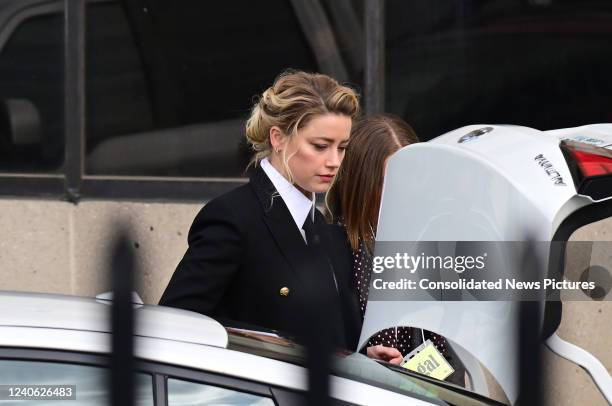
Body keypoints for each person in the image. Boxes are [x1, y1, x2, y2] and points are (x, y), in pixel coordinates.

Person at [159, 70, 363, 350]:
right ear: (278, 139)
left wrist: (364, 358)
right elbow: (175, 323)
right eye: (320, 146)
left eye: (342, 148)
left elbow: (332, 331)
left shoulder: (326, 230)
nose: (334, 161)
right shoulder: (232, 218)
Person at [327, 114, 466, 385]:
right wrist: (361, 357)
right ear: (361, 183)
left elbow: (449, 348)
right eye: (392, 181)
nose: (407, 193)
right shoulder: (331, 246)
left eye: (415, 179)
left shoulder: (426, 242)